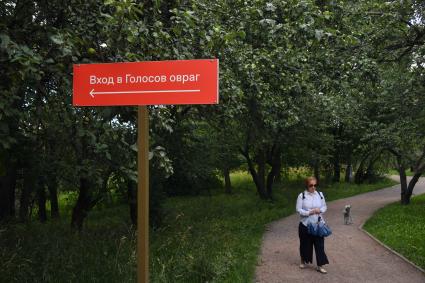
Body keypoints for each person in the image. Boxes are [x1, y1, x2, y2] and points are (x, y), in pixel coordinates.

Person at [296, 176, 329, 274]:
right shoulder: (302, 196)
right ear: (307, 185)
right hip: (305, 224)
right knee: (305, 244)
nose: (313, 187)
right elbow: (299, 210)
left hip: (318, 224)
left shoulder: (320, 194)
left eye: (315, 185)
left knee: (320, 245)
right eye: (311, 185)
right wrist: (309, 212)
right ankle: (303, 261)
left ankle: (320, 265)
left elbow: (324, 206)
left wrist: (320, 210)